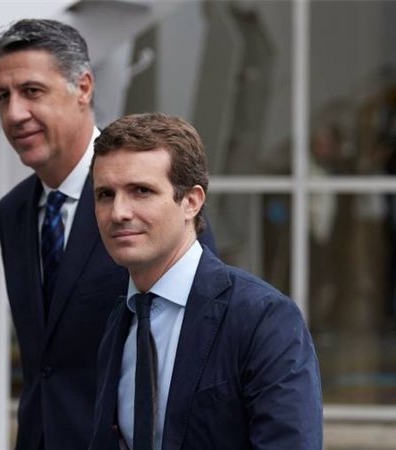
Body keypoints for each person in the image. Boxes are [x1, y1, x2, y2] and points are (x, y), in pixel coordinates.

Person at [0, 20, 216, 450]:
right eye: (4, 96)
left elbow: (200, 348)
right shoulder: (13, 213)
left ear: (84, 88)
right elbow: (44, 366)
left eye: (32, 91)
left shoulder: (157, 196)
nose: (15, 113)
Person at [89, 113, 322, 450]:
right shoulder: (119, 321)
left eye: (141, 191)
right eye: (105, 195)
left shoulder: (262, 318)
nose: (119, 212)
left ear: (191, 202)